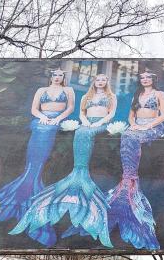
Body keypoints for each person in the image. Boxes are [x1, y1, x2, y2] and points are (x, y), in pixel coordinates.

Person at [0, 69, 74, 245]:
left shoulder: (68, 90)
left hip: (54, 125)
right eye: (55, 75)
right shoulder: (41, 90)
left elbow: (70, 107)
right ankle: (21, 195)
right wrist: (42, 116)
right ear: (51, 77)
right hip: (40, 123)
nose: (57, 78)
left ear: (63, 78)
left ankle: (31, 199)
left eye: (60, 75)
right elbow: (34, 108)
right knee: (32, 159)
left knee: (40, 161)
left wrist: (56, 119)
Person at [10, 74, 117, 247]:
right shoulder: (86, 96)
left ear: (107, 82)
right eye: (98, 80)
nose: (100, 82)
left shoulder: (111, 97)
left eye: (103, 80)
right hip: (84, 123)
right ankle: (76, 172)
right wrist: (85, 121)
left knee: (85, 133)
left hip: (100, 123)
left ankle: (82, 174)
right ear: (94, 82)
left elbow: (111, 113)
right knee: (81, 132)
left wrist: (99, 123)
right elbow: (81, 112)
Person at [107, 70, 164, 250]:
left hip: (153, 126)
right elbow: (131, 115)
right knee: (127, 135)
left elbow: (163, 115)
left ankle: (131, 182)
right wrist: (134, 124)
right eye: (142, 77)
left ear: (153, 79)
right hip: (136, 126)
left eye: (148, 77)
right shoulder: (137, 95)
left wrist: (147, 125)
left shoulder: (160, 94)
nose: (145, 79)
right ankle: (127, 180)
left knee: (132, 137)